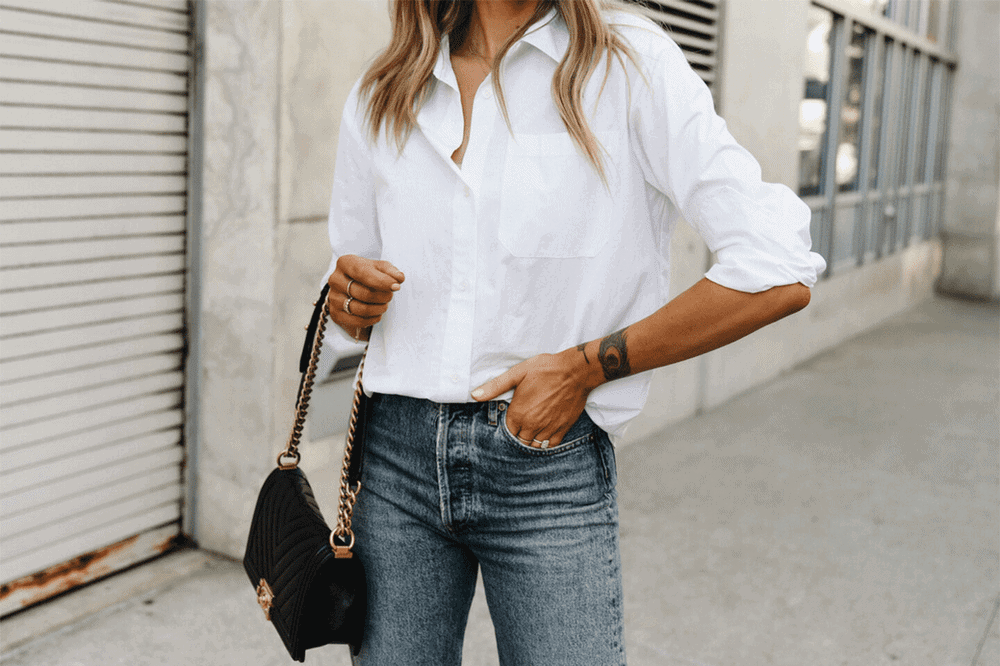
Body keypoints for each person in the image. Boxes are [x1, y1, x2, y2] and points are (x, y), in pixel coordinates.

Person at [323, 1, 826, 663]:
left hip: (543, 461)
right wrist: (347, 298)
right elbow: (346, 276)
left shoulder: (627, 61)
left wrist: (590, 365)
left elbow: (778, 267)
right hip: (394, 464)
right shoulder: (386, 85)